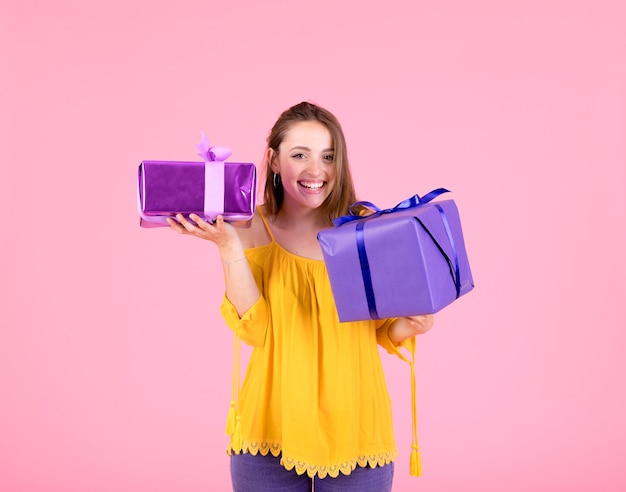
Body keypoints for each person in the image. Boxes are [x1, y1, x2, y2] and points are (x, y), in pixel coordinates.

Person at [167, 101, 434, 491]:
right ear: (274, 161)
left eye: (328, 156)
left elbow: (379, 328)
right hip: (270, 428)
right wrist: (228, 247)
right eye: (299, 155)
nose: (316, 170)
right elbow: (256, 331)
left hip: (356, 429)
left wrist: (410, 324)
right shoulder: (249, 227)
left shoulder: (366, 228)